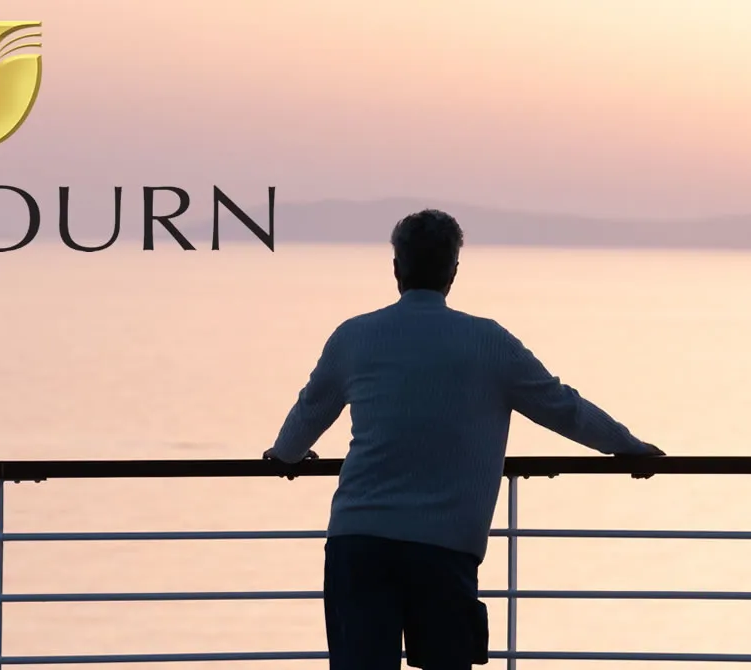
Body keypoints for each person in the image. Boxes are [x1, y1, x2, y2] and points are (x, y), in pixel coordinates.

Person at [262, 209, 665, 670]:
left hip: (360, 541)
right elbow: (563, 408)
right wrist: (627, 446)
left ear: (397, 267)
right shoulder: (487, 342)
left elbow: (306, 416)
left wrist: (286, 455)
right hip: (444, 547)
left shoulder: (355, 337)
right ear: (453, 270)